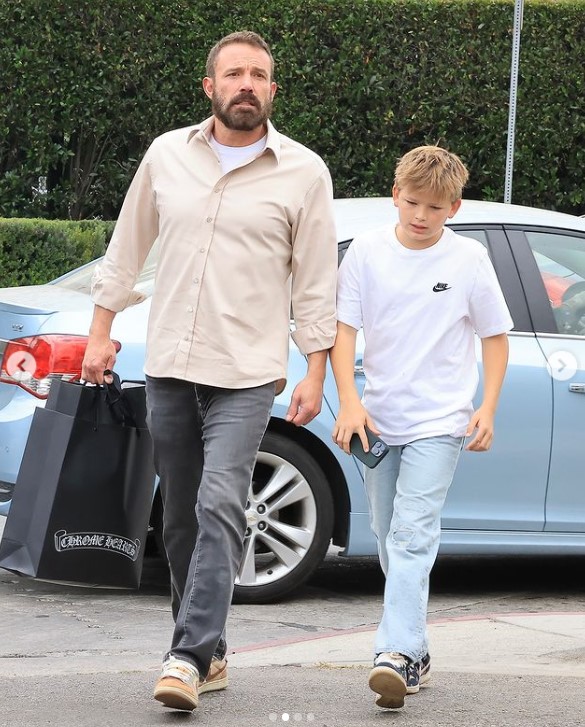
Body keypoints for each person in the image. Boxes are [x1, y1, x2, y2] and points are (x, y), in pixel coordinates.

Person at [81, 30, 337, 712]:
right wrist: (100, 331)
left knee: (222, 503)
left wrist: (315, 370)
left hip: (248, 370)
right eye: (234, 73)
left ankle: (187, 655)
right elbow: (126, 245)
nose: (246, 83)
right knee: (182, 523)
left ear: (272, 89)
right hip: (169, 361)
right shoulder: (168, 154)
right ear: (210, 86)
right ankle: (210, 646)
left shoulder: (304, 172)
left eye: (258, 74)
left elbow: (316, 281)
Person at [329, 145, 513, 710]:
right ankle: (418, 647)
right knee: (388, 540)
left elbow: (495, 336)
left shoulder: (469, 259)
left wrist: (487, 407)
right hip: (380, 422)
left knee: (412, 535)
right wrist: (351, 402)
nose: (420, 216)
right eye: (411, 203)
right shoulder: (365, 252)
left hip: (441, 421)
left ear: (453, 207)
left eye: (434, 208)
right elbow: (344, 331)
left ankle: (396, 656)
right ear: (395, 194)